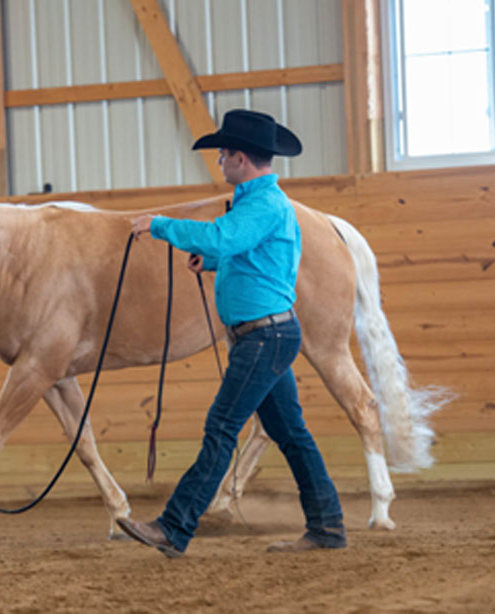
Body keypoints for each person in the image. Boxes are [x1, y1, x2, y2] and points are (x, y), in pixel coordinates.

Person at [120, 109, 346, 557]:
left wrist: (160, 224)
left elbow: (223, 238)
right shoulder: (259, 203)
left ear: (241, 158)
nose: (219, 161)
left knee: (222, 427)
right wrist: (214, 262)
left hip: (264, 338)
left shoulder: (262, 205)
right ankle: (327, 525)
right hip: (268, 335)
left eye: (223, 154)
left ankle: (174, 526)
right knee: (292, 435)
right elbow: (252, 256)